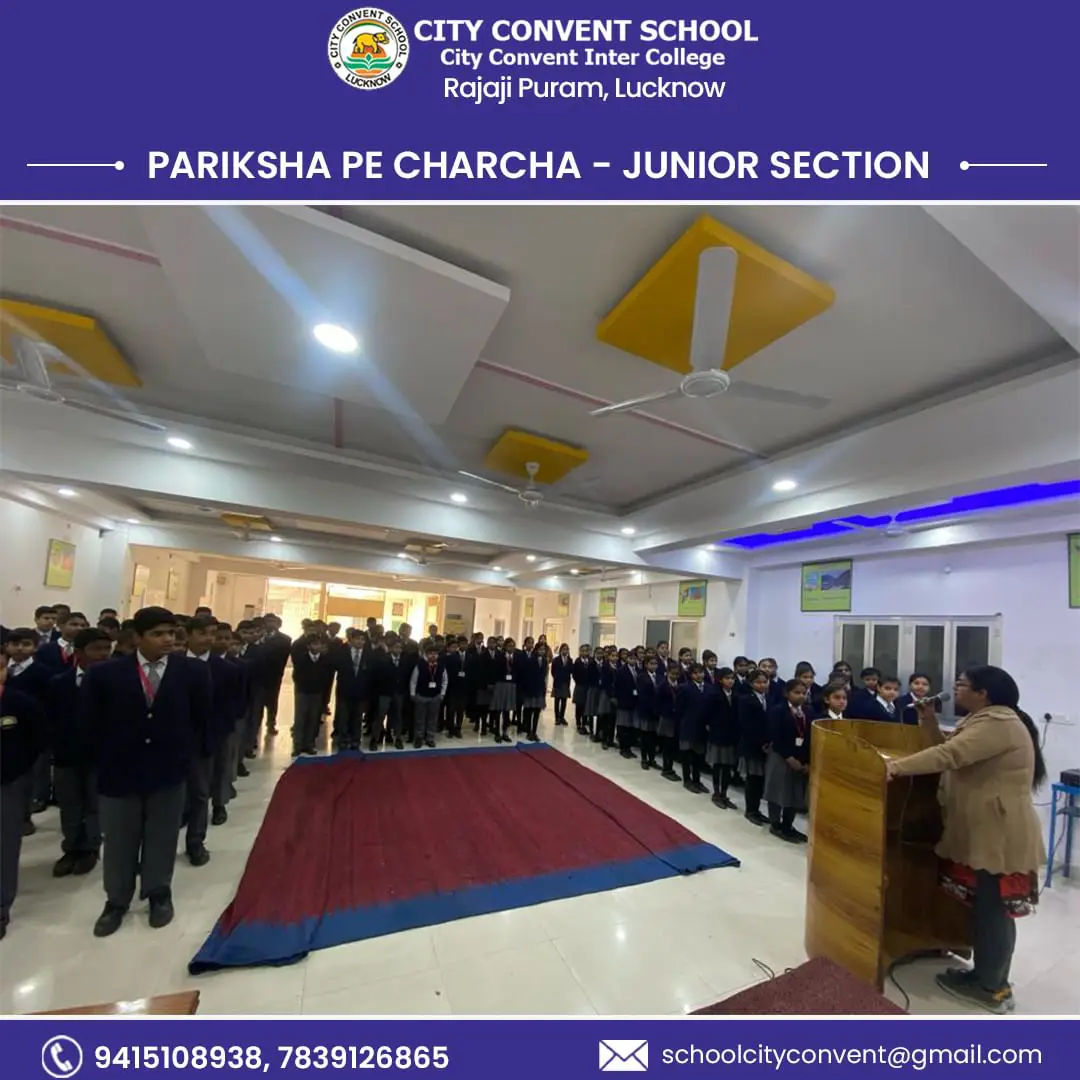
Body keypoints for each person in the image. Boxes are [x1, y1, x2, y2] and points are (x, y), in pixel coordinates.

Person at [886, 666, 1045, 1014]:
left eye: (961, 684)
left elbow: (949, 756)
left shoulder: (998, 724)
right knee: (987, 906)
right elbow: (949, 751)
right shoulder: (983, 719)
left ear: (983, 693)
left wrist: (894, 767)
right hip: (987, 828)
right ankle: (988, 978)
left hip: (998, 833)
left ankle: (992, 987)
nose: (955, 689)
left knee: (993, 910)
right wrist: (928, 720)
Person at [83, 606, 211, 937]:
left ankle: (158, 893)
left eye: (171, 633)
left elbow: (200, 719)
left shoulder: (192, 672)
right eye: (157, 634)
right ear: (137, 637)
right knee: (118, 840)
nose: (167, 639)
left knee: (162, 835)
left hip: (168, 770)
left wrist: (185, 757)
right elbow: (91, 723)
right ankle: (116, 900)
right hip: (119, 771)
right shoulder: (106, 674)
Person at [46, 627, 113, 877]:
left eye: (107, 649)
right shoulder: (59, 683)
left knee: (94, 806)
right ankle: (71, 848)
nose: (103, 654)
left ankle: (90, 849)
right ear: (79, 652)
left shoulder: (116, 683)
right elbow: (51, 719)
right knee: (69, 805)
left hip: (100, 757)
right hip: (67, 755)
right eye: (96, 649)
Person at [0, 654, 47, 939]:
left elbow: (36, 740)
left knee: (5, 844)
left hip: (7, 782)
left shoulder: (20, 703)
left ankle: (2, 904)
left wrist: (17, 769)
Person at [764, 679, 811, 843]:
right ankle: (775, 824)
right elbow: (776, 737)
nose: (801, 696)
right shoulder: (778, 711)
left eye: (804, 693)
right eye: (796, 692)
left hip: (800, 757)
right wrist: (789, 758)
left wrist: (806, 761)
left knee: (794, 792)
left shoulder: (808, 711)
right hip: (781, 756)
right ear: (786, 693)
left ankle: (788, 825)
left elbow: (809, 737)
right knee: (778, 790)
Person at [737, 668, 772, 826]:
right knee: (753, 780)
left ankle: (757, 810)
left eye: (765, 682)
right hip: (752, 745)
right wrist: (760, 743)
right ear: (751, 683)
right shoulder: (745, 700)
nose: (762, 685)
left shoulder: (769, 699)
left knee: (761, 780)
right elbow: (746, 725)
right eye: (758, 682)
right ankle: (751, 810)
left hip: (767, 746)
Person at [291, 631, 334, 757]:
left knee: (313, 719)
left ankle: (309, 744)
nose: (318, 646)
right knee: (300, 719)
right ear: (309, 646)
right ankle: (298, 745)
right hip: (303, 692)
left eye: (319, 644)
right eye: (315, 644)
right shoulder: (301, 658)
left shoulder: (325, 659)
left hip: (317, 693)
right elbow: (296, 675)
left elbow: (327, 676)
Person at [706, 666, 740, 809]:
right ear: (720, 680)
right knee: (717, 765)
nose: (730, 681)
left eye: (732, 678)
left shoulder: (736, 695)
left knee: (727, 766)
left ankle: (724, 793)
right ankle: (716, 792)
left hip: (731, 735)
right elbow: (708, 713)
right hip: (718, 734)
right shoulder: (714, 694)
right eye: (727, 678)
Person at [333, 628, 372, 751]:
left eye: (362, 639)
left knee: (357, 717)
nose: (360, 642)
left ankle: (355, 740)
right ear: (351, 640)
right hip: (344, 690)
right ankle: (343, 740)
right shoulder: (342, 652)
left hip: (361, 691)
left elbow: (370, 674)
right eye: (357, 639)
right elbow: (336, 667)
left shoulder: (368, 654)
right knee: (343, 717)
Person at [675, 662, 709, 794]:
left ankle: (697, 780)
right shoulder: (685, 688)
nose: (699, 675)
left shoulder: (708, 688)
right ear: (690, 675)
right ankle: (687, 780)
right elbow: (679, 707)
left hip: (702, 726)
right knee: (687, 755)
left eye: (701, 672)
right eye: (695, 673)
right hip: (688, 725)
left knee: (698, 756)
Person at [410, 643, 447, 748]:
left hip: (435, 696)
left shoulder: (441, 666)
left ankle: (430, 738)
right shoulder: (420, 665)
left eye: (435, 653)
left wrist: (442, 693)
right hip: (421, 696)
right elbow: (413, 680)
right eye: (431, 653)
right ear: (426, 654)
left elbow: (445, 680)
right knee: (419, 719)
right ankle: (419, 738)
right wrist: (412, 693)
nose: (433, 655)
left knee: (433, 719)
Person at [550, 643, 573, 726]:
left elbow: (571, 671)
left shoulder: (570, 660)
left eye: (566, 649)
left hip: (565, 683)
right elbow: (553, 671)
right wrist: (556, 677)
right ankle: (557, 718)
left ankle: (562, 717)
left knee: (564, 701)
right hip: (558, 683)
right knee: (557, 701)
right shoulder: (556, 660)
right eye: (563, 649)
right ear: (560, 650)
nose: (565, 651)